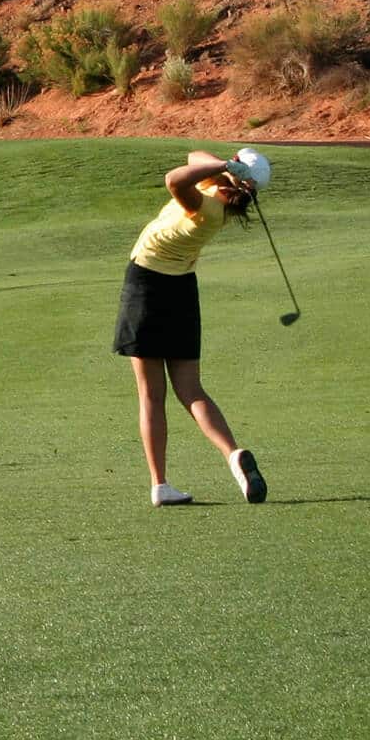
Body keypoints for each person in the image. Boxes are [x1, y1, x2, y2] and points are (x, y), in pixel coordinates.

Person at [113, 148, 270, 507]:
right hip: (182, 290)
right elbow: (192, 154)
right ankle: (233, 455)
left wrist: (223, 167)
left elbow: (174, 177)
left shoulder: (205, 205)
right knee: (191, 389)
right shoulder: (221, 201)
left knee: (152, 395)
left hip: (147, 286)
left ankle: (160, 484)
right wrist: (227, 167)